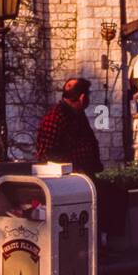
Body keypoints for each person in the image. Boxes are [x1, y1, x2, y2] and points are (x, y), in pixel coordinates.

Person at [34, 78, 128, 244]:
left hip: (83, 177)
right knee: (111, 197)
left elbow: (88, 142)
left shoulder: (77, 115)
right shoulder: (56, 117)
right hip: (67, 181)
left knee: (115, 194)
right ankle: (105, 245)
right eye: (88, 95)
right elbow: (46, 154)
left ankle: (104, 243)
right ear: (83, 97)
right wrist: (73, 169)